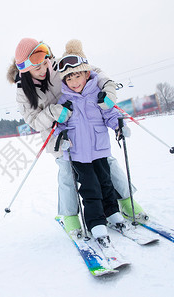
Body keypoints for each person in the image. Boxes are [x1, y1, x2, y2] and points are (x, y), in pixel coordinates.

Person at [6, 38, 146, 234]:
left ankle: (127, 201)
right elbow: (34, 121)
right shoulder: (23, 91)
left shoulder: (60, 65)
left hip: (86, 127)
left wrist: (108, 87)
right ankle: (70, 216)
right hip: (59, 136)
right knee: (67, 172)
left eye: (44, 62)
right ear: (24, 68)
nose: (42, 69)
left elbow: (94, 72)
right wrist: (54, 112)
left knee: (108, 164)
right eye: (36, 67)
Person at [55, 39, 129, 246]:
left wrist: (118, 126)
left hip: (100, 149)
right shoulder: (64, 101)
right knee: (90, 188)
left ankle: (112, 213)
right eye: (69, 79)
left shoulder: (97, 94)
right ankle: (96, 223)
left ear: (86, 74)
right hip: (78, 154)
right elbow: (59, 125)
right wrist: (61, 139)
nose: (74, 82)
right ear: (65, 82)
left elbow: (110, 114)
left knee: (106, 183)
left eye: (77, 76)